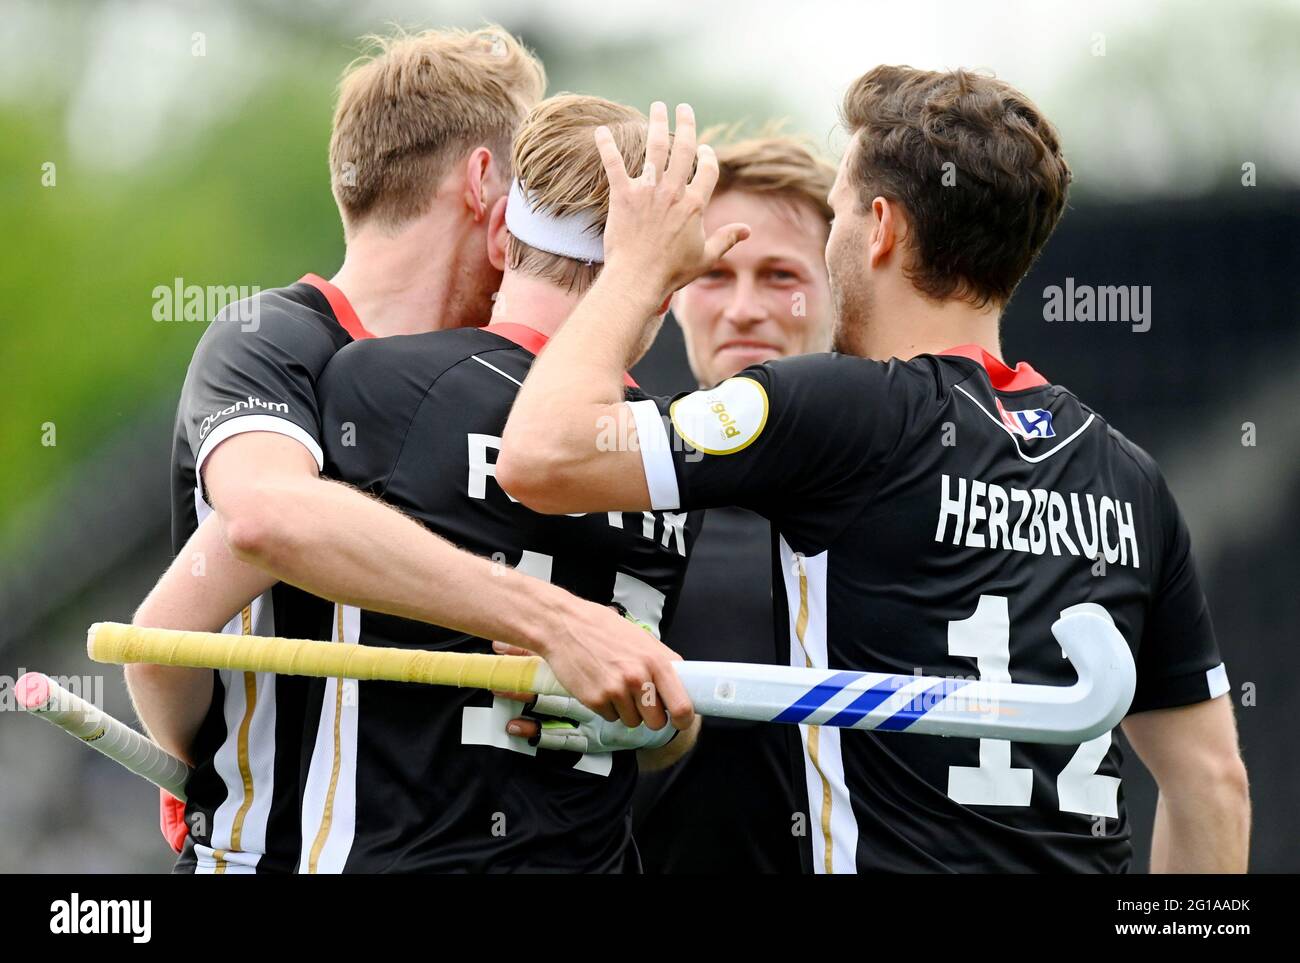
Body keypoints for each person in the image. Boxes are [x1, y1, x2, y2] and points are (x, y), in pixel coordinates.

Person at [498, 73, 1251, 873]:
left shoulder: (839, 408)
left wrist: (635, 267)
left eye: (842, 212)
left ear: (880, 228)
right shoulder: (1128, 475)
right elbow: (1213, 781)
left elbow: (543, 453)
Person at [126, 28, 686, 875]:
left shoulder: (523, 389)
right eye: (531, 172)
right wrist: (556, 621)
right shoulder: (277, 339)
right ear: (485, 184)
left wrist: (655, 712)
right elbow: (261, 520)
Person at [303, 93, 699, 872]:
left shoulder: (381, 382)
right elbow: (667, 720)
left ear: (505, 236)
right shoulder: (671, 447)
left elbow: (203, 605)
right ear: (661, 275)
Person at [632, 132, 835, 874]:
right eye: (714, 274)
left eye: (780, 273)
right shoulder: (606, 485)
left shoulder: (907, 490)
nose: (745, 308)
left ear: (839, 279)